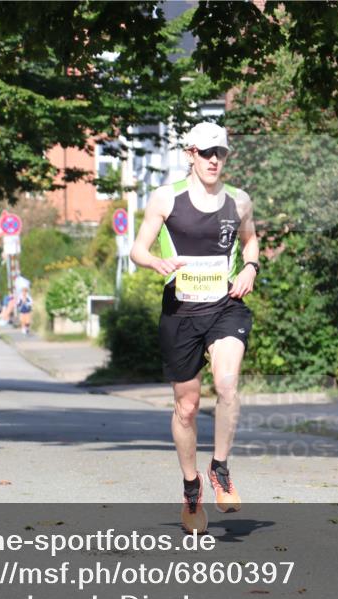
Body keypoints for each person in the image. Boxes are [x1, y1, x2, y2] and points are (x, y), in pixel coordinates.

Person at [130, 121, 260, 534]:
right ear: (190, 154)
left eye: (219, 153)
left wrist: (251, 268)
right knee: (186, 408)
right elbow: (137, 249)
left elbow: (250, 240)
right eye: (206, 153)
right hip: (181, 311)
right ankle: (192, 489)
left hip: (226, 305)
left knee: (226, 384)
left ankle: (220, 469)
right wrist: (155, 263)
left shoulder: (239, 201)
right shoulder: (166, 198)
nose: (213, 161)